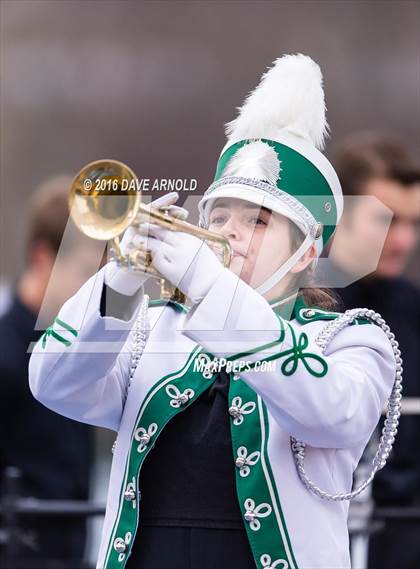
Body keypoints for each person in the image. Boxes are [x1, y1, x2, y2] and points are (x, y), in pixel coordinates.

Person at [29, 54, 397, 569]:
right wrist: (123, 276)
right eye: (219, 214)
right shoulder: (153, 330)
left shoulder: (350, 339)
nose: (228, 232)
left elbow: (331, 414)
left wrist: (208, 287)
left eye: (259, 221)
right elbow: (55, 381)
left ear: (308, 251)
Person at [329, 134, 420, 569]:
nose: (402, 240)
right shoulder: (292, 305)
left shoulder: (415, 309)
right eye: (386, 220)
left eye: (413, 224)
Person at [0, 177, 98, 567]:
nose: (96, 287)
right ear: (43, 258)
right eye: (87, 269)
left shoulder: (80, 350)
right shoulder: (5, 355)